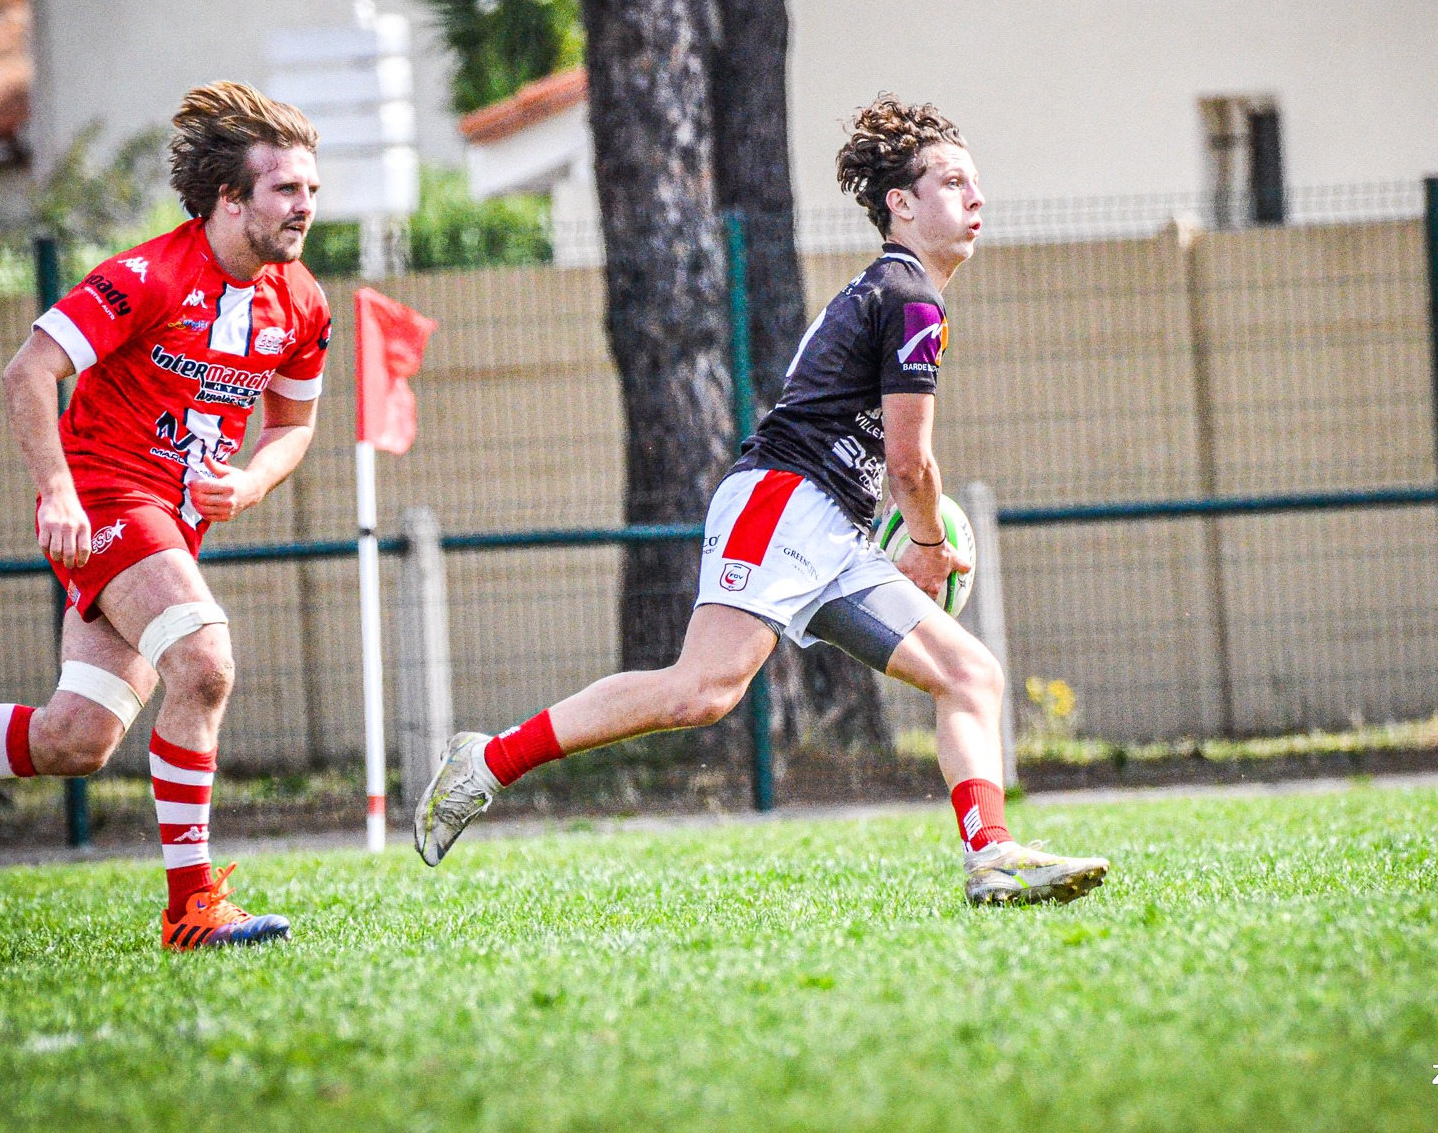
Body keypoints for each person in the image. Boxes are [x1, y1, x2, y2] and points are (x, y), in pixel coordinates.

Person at [414, 96, 1108, 906]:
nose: (976, 198)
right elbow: (911, 463)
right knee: (699, 692)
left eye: (976, 183)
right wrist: (924, 539)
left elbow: (899, 462)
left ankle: (992, 857)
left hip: (832, 525)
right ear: (903, 204)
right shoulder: (910, 294)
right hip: (783, 504)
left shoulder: (904, 291)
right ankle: (486, 761)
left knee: (969, 675)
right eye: (954, 182)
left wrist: (914, 534)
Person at [0, 82, 333, 949]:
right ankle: (192, 905)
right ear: (231, 199)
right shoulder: (146, 275)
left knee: (75, 738)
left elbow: (294, 426)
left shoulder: (301, 302)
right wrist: (60, 493)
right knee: (205, 661)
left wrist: (255, 481)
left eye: (310, 188)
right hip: (111, 500)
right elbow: (28, 371)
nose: (307, 206)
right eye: (286, 190)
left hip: (168, 526)